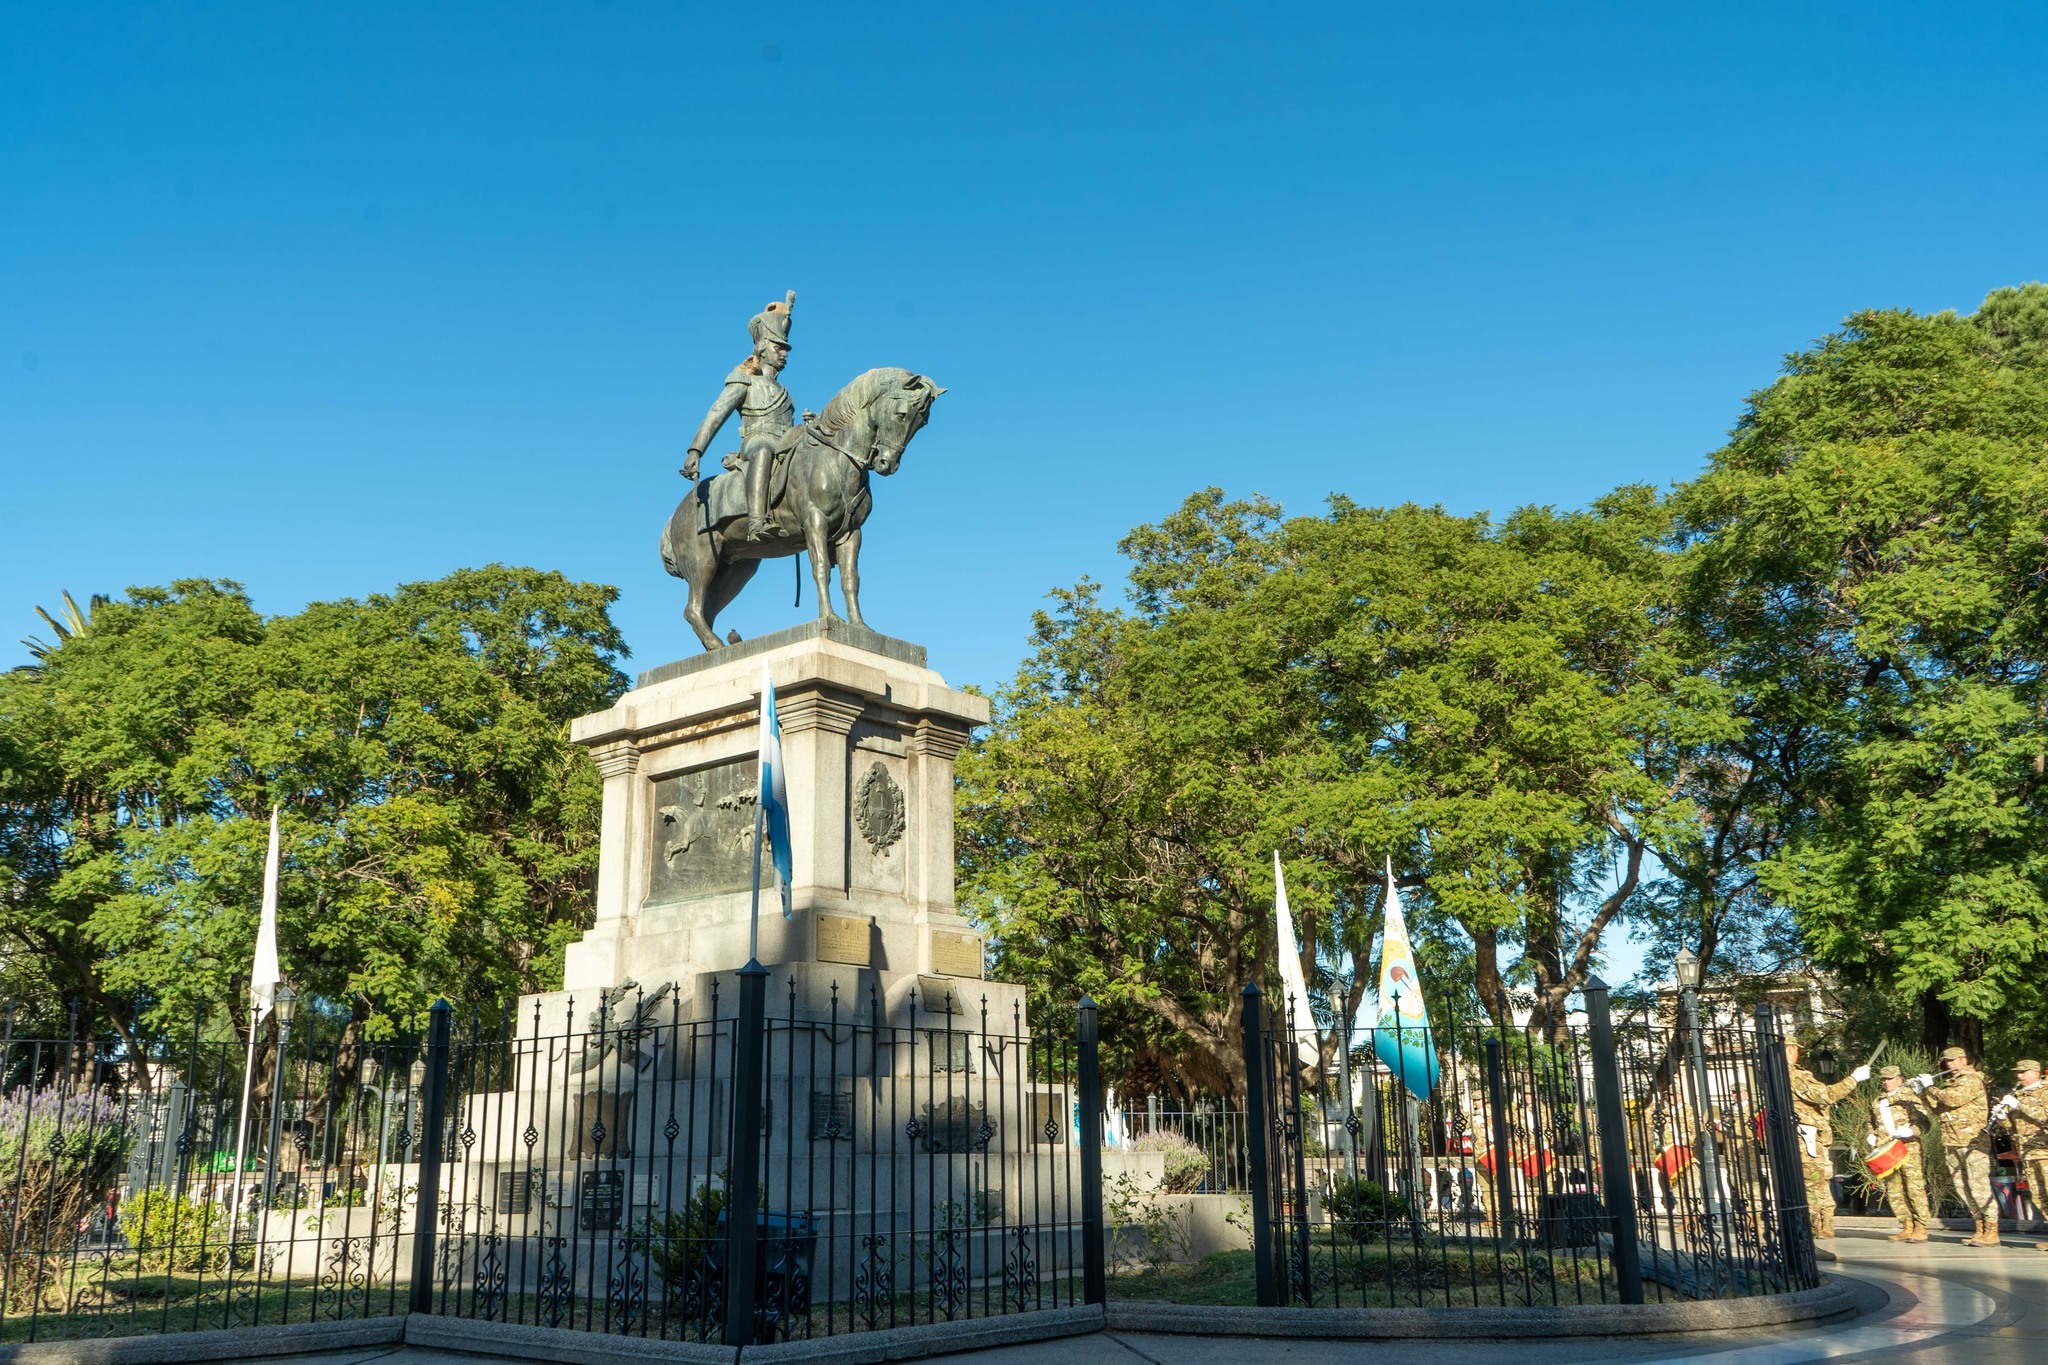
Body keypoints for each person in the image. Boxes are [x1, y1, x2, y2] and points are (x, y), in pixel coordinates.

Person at [681, 291, 798, 541]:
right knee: (765, 449)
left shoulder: (785, 392)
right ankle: (757, 522)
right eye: (779, 347)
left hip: (786, 445)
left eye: (786, 349)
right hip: (757, 441)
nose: (784, 353)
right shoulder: (744, 380)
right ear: (764, 347)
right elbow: (716, 414)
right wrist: (695, 451)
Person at [1785, 1040, 1870, 1249]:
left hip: (1800, 1136)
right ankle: (1816, 1228)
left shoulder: (1772, 1076)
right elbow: (1827, 1095)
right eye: (1796, 1049)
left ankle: (1824, 1224)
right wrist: (1854, 1079)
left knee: (1817, 1180)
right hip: (1807, 1136)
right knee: (1815, 1182)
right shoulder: (1796, 1075)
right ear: (1791, 1049)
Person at [1916, 1045, 1999, 1247]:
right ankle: (1979, 1228)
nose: (1950, 1064)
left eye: (1953, 1060)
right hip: (1952, 1140)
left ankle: (1992, 1230)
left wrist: (1930, 1087)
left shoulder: (1971, 1079)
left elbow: (1953, 1100)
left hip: (1972, 1142)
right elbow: (1939, 1109)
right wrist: (1921, 1093)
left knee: (1978, 1186)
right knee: (1963, 1187)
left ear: (1964, 1060)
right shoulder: (1951, 1083)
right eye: (1947, 1061)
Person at [1864, 1065, 1932, 1242]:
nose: (1886, 1082)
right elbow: (1871, 1122)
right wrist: (1871, 1134)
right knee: (1894, 1189)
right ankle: (1906, 1225)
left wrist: (1911, 1130)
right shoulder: (1878, 1101)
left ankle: (1921, 1226)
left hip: (1908, 1148)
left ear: (1899, 1079)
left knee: (1914, 1188)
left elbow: (1925, 1124)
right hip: (1887, 1149)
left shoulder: (1910, 1098)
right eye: (1883, 1079)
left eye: (1889, 1078)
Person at [1990, 1058, 2047, 1250]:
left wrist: (2018, 1106)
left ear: (2035, 1073)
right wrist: (2002, 1118)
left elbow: (2043, 1117)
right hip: (2027, 1153)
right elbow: (2013, 1128)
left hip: (2044, 1151)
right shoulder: (2019, 1094)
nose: (2019, 1076)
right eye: (2018, 1072)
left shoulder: (2045, 1091)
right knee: (2039, 1196)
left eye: (2023, 1072)